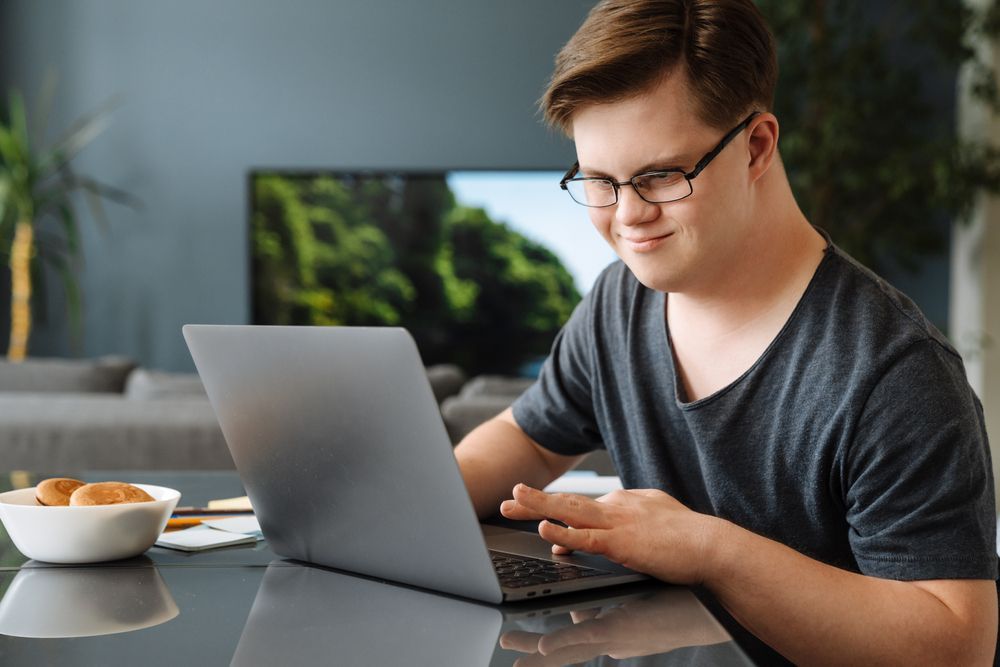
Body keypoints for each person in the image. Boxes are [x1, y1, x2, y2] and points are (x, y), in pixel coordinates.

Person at [453, 0, 999, 664]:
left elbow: (956, 645)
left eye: (660, 175)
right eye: (598, 181)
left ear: (757, 146)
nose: (628, 216)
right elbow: (528, 441)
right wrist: (409, 509)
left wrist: (708, 548)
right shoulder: (616, 303)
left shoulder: (896, 372)